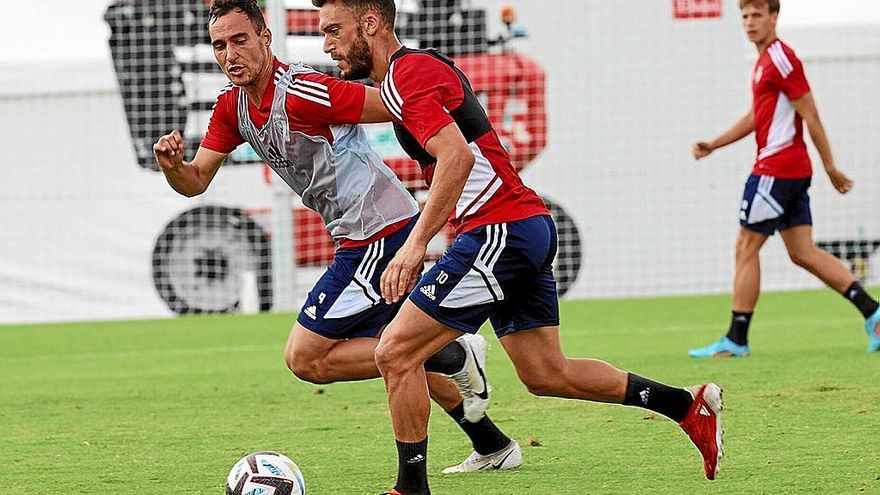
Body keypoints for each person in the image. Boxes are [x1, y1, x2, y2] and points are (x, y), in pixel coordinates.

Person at [312, 1, 724, 493]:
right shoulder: (410, 72)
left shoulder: (407, 74)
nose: (327, 43)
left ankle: (410, 488)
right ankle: (685, 406)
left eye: (334, 30)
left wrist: (413, 247)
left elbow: (457, 158)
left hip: (497, 231)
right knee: (547, 373)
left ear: (372, 24)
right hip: (523, 226)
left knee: (395, 352)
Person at [152, 0, 524, 473]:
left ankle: (449, 350)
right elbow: (196, 181)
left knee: (307, 358)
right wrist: (173, 168)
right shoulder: (232, 106)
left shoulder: (307, 90)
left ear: (266, 38)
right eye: (219, 45)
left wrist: (448, 124)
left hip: (381, 234)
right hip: (357, 238)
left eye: (240, 40)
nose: (230, 53)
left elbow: (393, 102)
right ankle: (492, 443)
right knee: (396, 351)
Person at [688, 0, 880, 358]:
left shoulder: (781, 58)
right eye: (744, 16)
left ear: (774, 17)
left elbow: (811, 114)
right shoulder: (763, 63)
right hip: (790, 170)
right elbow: (755, 117)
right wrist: (715, 143)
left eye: (757, 15)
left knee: (745, 247)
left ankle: (736, 339)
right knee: (802, 252)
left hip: (776, 170)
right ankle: (875, 313)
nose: (749, 22)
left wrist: (831, 167)